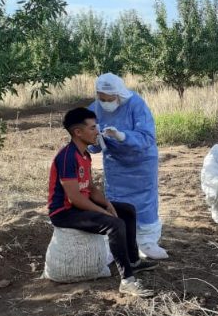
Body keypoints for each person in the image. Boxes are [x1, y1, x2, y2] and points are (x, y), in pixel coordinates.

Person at [48, 108, 157, 297]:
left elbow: (90, 189)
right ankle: (127, 281)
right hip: (64, 212)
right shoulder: (66, 157)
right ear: (78, 132)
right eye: (92, 128)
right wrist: (103, 214)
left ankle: (133, 261)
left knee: (127, 210)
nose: (97, 131)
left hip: (78, 205)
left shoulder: (85, 155)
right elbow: (75, 198)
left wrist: (107, 204)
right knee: (114, 224)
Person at [87, 73, 168, 260]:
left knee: (144, 203)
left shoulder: (136, 105)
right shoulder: (95, 109)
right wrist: (96, 138)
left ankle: (147, 242)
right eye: (102, 98)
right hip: (115, 166)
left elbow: (147, 137)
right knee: (117, 202)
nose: (106, 102)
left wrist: (122, 136)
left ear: (119, 94)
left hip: (141, 163)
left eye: (110, 99)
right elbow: (89, 141)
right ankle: (117, 243)